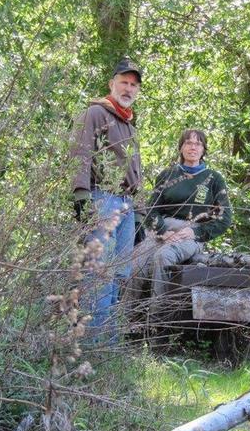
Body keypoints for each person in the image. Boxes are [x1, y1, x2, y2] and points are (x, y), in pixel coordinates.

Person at [70, 57, 143, 341]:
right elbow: (81, 152)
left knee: (117, 275)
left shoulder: (129, 124)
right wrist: (81, 196)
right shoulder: (96, 113)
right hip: (102, 199)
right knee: (98, 275)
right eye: (123, 82)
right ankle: (91, 344)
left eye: (133, 85)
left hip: (126, 205)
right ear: (111, 84)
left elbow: (135, 171)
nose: (128, 88)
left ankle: (107, 348)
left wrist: (139, 212)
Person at [129, 129, 232, 304]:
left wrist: (197, 233)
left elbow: (225, 218)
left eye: (198, 144)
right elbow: (152, 209)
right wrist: (163, 231)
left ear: (203, 149)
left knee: (163, 257)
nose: (193, 147)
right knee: (136, 262)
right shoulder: (167, 175)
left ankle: (157, 318)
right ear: (181, 148)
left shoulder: (214, 178)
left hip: (190, 233)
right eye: (188, 143)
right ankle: (125, 319)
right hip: (162, 232)